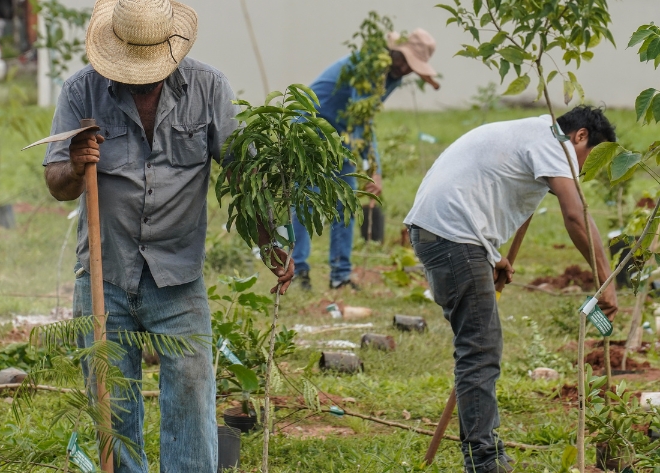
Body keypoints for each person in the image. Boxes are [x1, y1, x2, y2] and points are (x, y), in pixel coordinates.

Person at [41, 1, 293, 471]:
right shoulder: (81, 91)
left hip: (177, 276)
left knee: (192, 391)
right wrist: (75, 163)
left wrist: (269, 242)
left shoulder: (208, 88)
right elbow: (56, 183)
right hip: (105, 272)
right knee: (113, 403)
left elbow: (241, 173)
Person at [404, 105, 619, 473]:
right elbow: (575, 214)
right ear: (580, 136)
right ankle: (484, 462)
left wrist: (491, 256)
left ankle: (487, 452)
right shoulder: (553, 142)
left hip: (444, 233)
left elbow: (482, 183)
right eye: (586, 160)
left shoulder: (532, 133)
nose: (581, 172)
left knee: (479, 345)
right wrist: (606, 277)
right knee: (480, 348)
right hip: (454, 237)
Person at [292, 28, 440, 291]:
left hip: (343, 132)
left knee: (345, 203)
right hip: (312, 127)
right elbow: (359, 117)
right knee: (308, 200)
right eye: (405, 61)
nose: (406, 69)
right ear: (394, 53)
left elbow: (364, 118)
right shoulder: (367, 67)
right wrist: (372, 169)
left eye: (411, 66)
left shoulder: (392, 76)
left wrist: (372, 167)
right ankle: (298, 272)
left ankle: (340, 276)